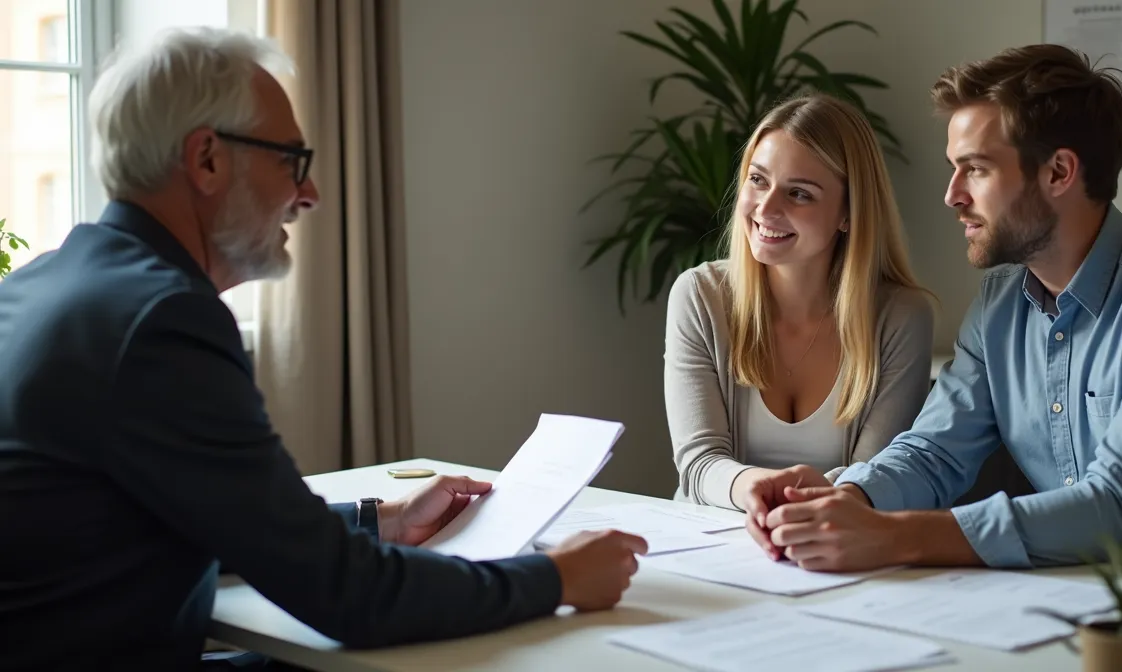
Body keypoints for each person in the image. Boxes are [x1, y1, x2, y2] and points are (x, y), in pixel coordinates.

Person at [0, 27, 648, 671]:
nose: (308, 195)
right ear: (206, 159)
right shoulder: (162, 321)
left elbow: (197, 519)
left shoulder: (44, 284)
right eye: (290, 159)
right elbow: (352, 598)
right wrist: (555, 578)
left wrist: (379, 519)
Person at [740, 44, 1122, 592]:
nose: (952, 196)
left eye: (976, 169)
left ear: (1059, 172)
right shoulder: (1001, 302)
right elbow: (935, 451)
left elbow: (1120, 507)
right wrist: (848, 498)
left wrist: (893, 536)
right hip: (1071, 602)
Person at [664, 93, 936, 513]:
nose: (766, 208)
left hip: (834, 540)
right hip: (709, 546)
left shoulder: (901, 317)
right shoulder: (700, 296)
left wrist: (793, 504)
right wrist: (755, 488)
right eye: (758, 180)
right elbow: (698, 464)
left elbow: (874, 475)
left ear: (849, 214)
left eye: (800, 194)